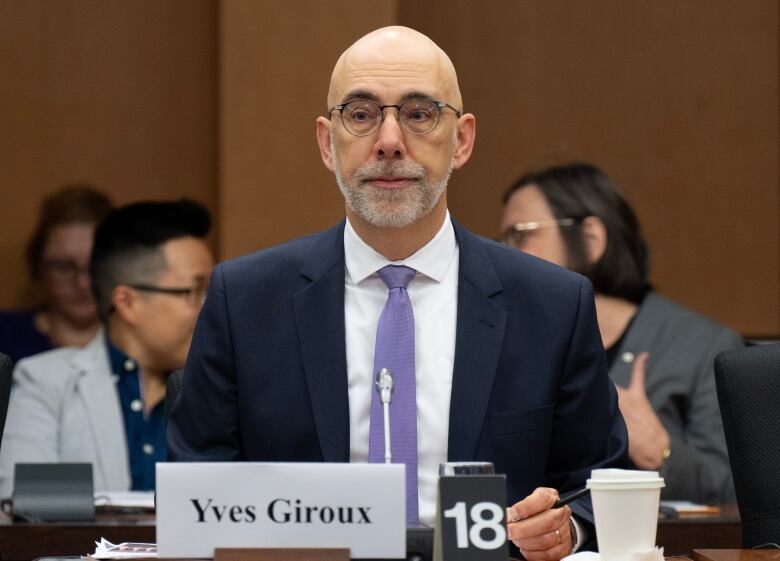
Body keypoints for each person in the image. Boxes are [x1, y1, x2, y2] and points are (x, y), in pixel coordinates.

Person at [168, 27, 628, 559]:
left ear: (462, 140)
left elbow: (600, 484)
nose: (388, 141)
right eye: (361, 115)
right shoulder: (245, 301)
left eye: (418, 113)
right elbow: (197, 495)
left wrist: (564, 530)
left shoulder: (552, 305)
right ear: (326, 142)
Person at [499, 162, 742, 504]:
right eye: (502, 239)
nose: (505, 253)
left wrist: (660, 451)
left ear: (590, 239)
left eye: (520, 234)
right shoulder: (512, 344)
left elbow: (741, 495)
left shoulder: (705, 347)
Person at [0, 200, 214, 496]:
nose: (209, 309)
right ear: (127, 303)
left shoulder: (222, 389)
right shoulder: (46, 382)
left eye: (211, 292)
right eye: (193, 292)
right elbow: (22, 504)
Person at [0, 185, 112, 364]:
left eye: (94, 265)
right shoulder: (4, 335)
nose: (82, 283)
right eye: (64, 267)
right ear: (39, 267)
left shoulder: (143, 341)